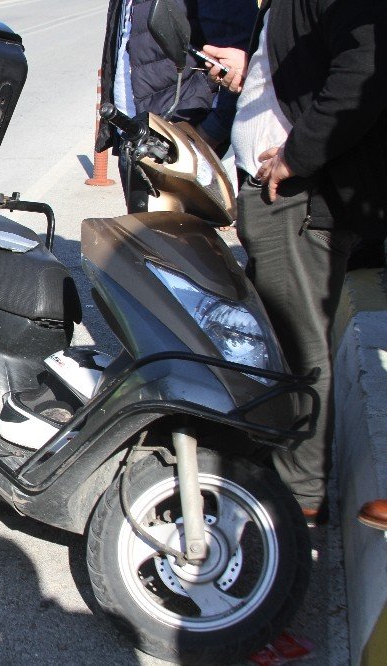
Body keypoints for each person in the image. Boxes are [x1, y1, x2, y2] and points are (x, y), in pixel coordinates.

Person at [203, 0, 387, 524]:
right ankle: (282, 462)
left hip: (298, 195)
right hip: (281, 192)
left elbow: (363, 72)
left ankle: (300, 492)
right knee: (281, 338)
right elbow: (307, 62)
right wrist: (248, 68)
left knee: (300, 339)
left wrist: (297, 154)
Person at [97, 0, 257, 212]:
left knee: (182, 238)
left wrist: (210, 132)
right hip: (135, 132)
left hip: (180, 141)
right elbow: (122, 45)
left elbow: (242, 66)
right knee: (146, 237)